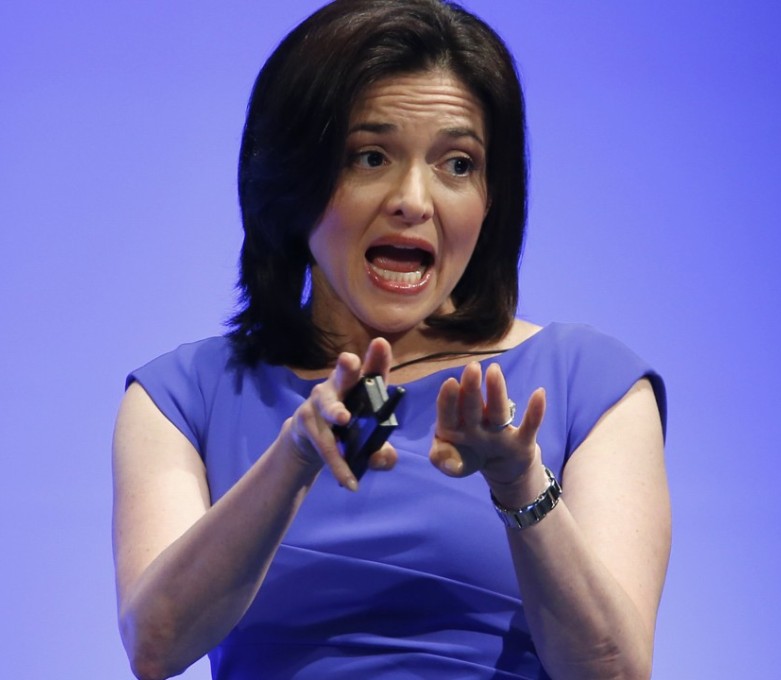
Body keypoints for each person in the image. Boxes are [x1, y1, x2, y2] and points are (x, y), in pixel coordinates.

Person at [112, 1, 670, 678]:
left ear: (493, 198)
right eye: (370, 157)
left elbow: (613, 670)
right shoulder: (182, 397)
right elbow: (156, 645)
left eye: (458, 165)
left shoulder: (590, 386)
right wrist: (293, 456)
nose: (415, 198)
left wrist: (518, 480)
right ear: (294, 181)